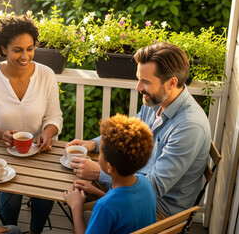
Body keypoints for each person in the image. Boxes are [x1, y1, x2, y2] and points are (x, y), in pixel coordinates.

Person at [67, 42, 211, 219]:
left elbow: (155, 187)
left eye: (146, 82)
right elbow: (126, 131)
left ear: (172, 83)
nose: (138, 87)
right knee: (72, 184)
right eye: (138, 79)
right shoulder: (156, 102)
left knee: (83, 214)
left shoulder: (188, 126)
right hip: (135, 183)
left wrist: (101, 172)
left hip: (158, 209)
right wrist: (92, 144)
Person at [0, 14, 63, 233]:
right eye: (18, 50)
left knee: (46, 189)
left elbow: (54, 117)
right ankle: (10, 230)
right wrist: (0, 133)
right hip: (0, 147)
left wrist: (48, 134)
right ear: (3, 49)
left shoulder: (46, 75)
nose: (26, 56)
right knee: (10, 193)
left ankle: (35, 231)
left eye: (30, 48)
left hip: (39, 148)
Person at [65, 114, 156, 233]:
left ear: (109, 166)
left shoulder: (104, 207)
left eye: (100, 153)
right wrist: (95, 191)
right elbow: (122, 206)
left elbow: (111, 206)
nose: (99, 156)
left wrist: (75, 206)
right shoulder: (145, 183)